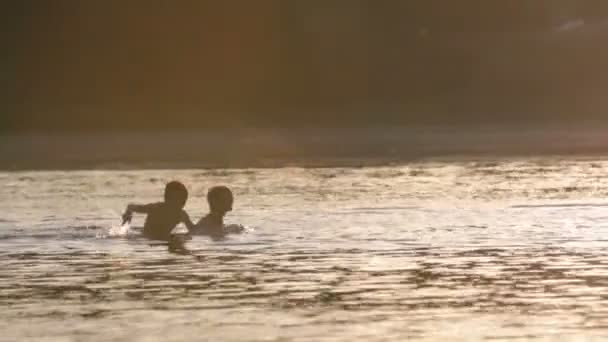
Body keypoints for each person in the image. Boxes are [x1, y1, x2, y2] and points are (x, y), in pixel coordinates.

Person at [122, 181, 194, 241]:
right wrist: (126, 223)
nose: (183, 204)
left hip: (161, 238)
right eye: (180, 201)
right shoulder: (156, 208)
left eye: (184, 201)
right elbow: (131, 207)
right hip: (146, 237)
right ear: (166, 199)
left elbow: (194, 230)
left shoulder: (181, 214)